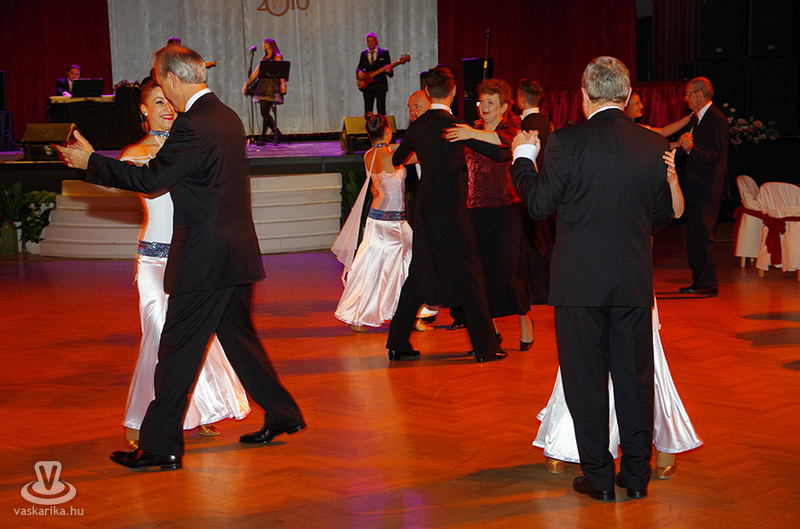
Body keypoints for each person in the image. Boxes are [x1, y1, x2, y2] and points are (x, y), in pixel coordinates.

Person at [56, 45, 304, 471]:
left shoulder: (193, 124)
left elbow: (152, 180)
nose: (163, 94)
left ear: (171, 78)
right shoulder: (226, 115)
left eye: (160, 82)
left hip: (206, 258)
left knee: (176, 351)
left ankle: (160, 446)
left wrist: (90, 162)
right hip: (235, 251)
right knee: (240, 342)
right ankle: (283, 414)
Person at [512, 56, 674, 501]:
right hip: (632, 280)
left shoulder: (566, 141)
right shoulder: (653, 143)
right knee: (635, 382)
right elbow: (661, 215)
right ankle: (636, 478)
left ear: (584, 95)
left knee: (585, 383)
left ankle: (599, 480)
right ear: (627, 95)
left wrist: (523, 158)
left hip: (579, 284)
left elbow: (538, 205)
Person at [534, 150, 702, 479]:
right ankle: (568, 442)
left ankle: (661, 444)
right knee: (584, 364)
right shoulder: (588, 164)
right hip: (591, 282)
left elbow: (675, 211)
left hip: (634, 284)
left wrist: (672, 179)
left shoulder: (646, 157)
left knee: (646, 366)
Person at [119, 78, 250, 449]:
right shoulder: (137, 153)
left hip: (190, 256)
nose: (166, 108)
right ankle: (143, 417)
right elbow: (138, 182)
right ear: (143, 109)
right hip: (154, 261)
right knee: (159, 333)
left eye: (168, 101)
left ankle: (201, 408)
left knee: (194, 335)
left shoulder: (189, 143)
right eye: (157, 102)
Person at [388, 66, 508, 363]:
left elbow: (397, 158)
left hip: (424, 212)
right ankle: (485, 348)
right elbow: (499, 152)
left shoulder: (419, 126)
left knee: (419, 274)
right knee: (471, 275)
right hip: (452, 211)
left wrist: (426, 151)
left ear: (428, 93)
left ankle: (397, 343)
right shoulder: (457, 126)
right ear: (453, 93)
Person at [443, 78, 534, 351]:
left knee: (508, 271)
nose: (483, 107)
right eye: (481, 101)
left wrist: (470, 133)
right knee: (479, 273)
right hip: (475, 211)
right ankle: (489, 330)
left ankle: (524, 320)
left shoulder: (511, 129)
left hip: (507, 210)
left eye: (490, 102)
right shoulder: (470, 130)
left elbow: (503, 147)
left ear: (504, 107)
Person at [332, 113, 412, 330]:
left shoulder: (368, 155)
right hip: (394, 222)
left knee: (370, 266)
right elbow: (418, 154)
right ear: (387, 131)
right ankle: (406, 312)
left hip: (375, 218)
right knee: (405, 265)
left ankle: (360, 314)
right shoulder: (392, 157)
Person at [675, 77, 730, 297]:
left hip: (708, 189)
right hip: (697, 188)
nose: (685, 98)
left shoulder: (716, 119)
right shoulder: (697, 118)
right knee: (695, 237)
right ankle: (699, 281)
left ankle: (708, 284)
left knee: (703, 237)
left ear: (700, 93)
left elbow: (716, 156)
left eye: (688, 94)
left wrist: (691, 149)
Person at [517, 79, 556, 307]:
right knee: (547, 241)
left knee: (534, 243)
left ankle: (537, 292)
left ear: (521, 98)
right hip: (550, 187)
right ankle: (548, 289)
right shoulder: (547, 123)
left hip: (531, 188)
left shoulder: (523, 125)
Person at [243, 38, 286, 144]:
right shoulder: (264, 58)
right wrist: (247, 84)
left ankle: (262, 137)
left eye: (265, 43)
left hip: (272, 88)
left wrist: (283, 84)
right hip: (263, 88)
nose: (263, 45)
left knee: (265, 112)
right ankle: (276, 133)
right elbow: (256, 73)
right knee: (264, 112)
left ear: (271, 45)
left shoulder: (277, 57)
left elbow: (281, 71)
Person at [356, 33, 393, 116]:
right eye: (368, 41)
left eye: (372, 41)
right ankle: (369, 124)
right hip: (368, 85)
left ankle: (382, 123)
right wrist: (359, 72)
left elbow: (390, 70)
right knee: (368, 110)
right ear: (366, 42)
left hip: (380, 84)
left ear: (376, 41)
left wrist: (389, 71)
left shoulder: (384, 53)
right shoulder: (363, 54)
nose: (370, 43)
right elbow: (359, 67)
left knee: (381, 109)